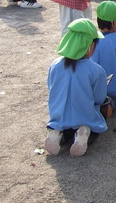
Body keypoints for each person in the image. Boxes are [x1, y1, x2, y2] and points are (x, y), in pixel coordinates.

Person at [45, 18, 107, 157]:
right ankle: (83, 133)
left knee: (61, 123)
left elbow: (51, 88)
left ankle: (55, 132)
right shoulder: (95, 70)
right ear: (91, 46)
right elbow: (99, 98)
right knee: (94, 123)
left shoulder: (55, 65)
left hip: (58, 116)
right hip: (84, 115)